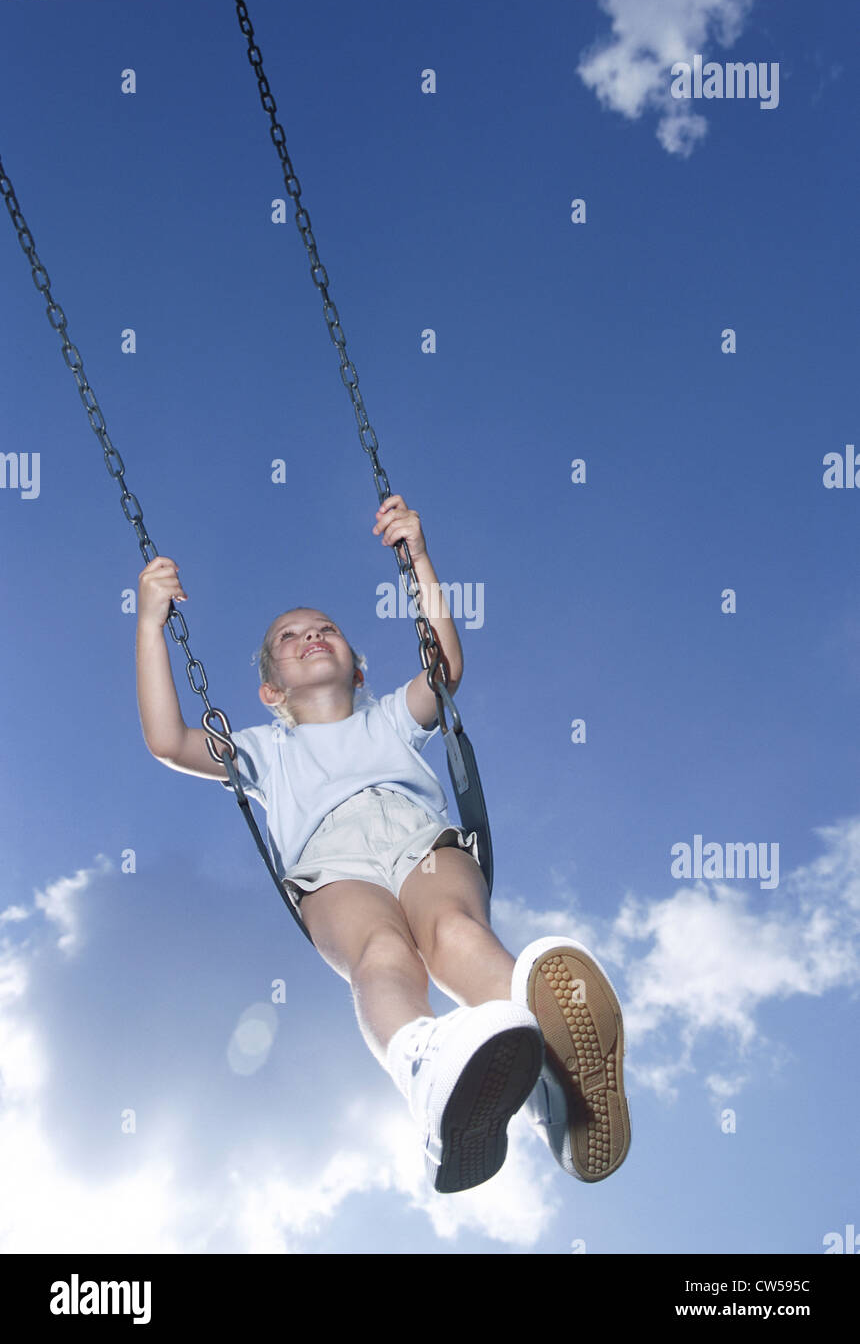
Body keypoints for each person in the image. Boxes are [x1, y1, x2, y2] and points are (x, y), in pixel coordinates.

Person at [135, 493, 631, 1193]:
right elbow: (166, 738)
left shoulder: (391, 717)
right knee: (383, 952)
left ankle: (557, 1067)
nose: (311, 635)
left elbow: (445, 669)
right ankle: (427, 1067)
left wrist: (419, 557)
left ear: (358, 669)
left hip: (422, 844)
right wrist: (150, 624)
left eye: (326, 628)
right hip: (332, 868)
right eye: (290, 636)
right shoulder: (259, 751)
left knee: (454, 930)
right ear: (270, 691)